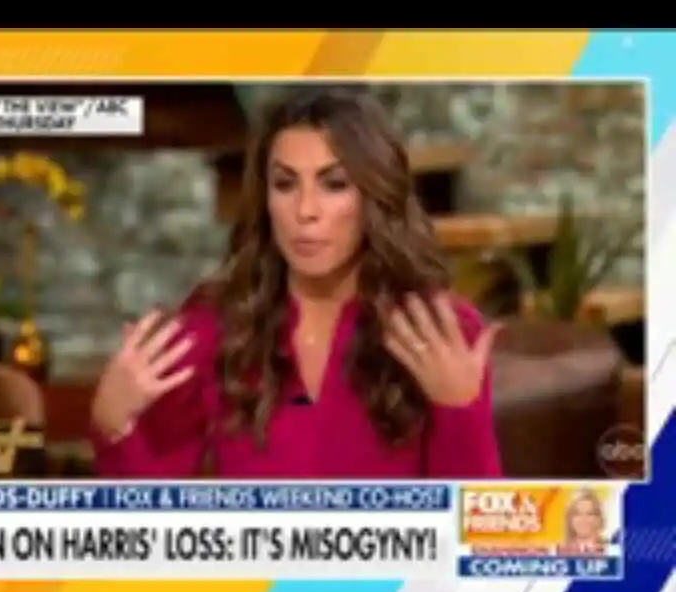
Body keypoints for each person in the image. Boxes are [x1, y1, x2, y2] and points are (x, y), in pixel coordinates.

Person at [89, 88, 503, 479]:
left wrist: (459, 410)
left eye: (333, 184)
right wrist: (114, 426)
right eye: (285, 184)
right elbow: (150, 512)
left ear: (374, 196)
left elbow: (474, 523)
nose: (305, 210)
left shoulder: (438, 332)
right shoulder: (216, 328)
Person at [559, 489, 607, 554]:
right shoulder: (558, 552)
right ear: (570, 519)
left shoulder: (611, 551)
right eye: (577, 514)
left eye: (589, 514)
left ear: (598, 519)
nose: (583, 519)